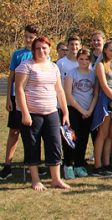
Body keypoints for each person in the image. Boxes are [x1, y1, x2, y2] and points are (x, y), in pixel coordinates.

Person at [15, 36, 71, 191]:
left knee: (55, 144)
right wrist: (25, 113)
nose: (41, 51)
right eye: (38, 48)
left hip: (51, 112)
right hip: (32, 113)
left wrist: (65, 112)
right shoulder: (25, 66)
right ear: (33, 50)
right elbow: (19, 89)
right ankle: (35, 180)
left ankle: (56, 179)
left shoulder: (53, 67)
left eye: (44, 48)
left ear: (49, 49)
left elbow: (59, 90)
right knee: (32, 145)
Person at [1, 24, 39, 180]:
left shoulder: (41, 54)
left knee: (34, 134)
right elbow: (11, 77)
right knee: (14, 132)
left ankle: (33, 165)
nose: (28, 40)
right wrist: (9, 98)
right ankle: (7, 165)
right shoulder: (18, 55)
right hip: (17, 99)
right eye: (26, 37)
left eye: (31, 37)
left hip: (34, 99)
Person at [62, 48, 99, 179]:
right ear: (77, 59)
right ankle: (68, 165)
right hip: (74, 110)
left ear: (90, 60)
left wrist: (89, 110)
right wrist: (81, 110)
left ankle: (78, 164)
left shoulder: (93, 74)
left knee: (83, 139)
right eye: (81, 59)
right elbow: (68, 94)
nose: (84, 61)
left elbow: (95, 94)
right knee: (72, 139)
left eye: (86, 59)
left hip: (88, 111)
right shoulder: (71, 73)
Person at [91, 40, 112, 177]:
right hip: (106, 101)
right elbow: (104, 87)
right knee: (102, 134)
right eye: (111, 50)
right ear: (105, 50)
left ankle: (106, 163)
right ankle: (97, 165)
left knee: (111, 134)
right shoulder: (100, 65)